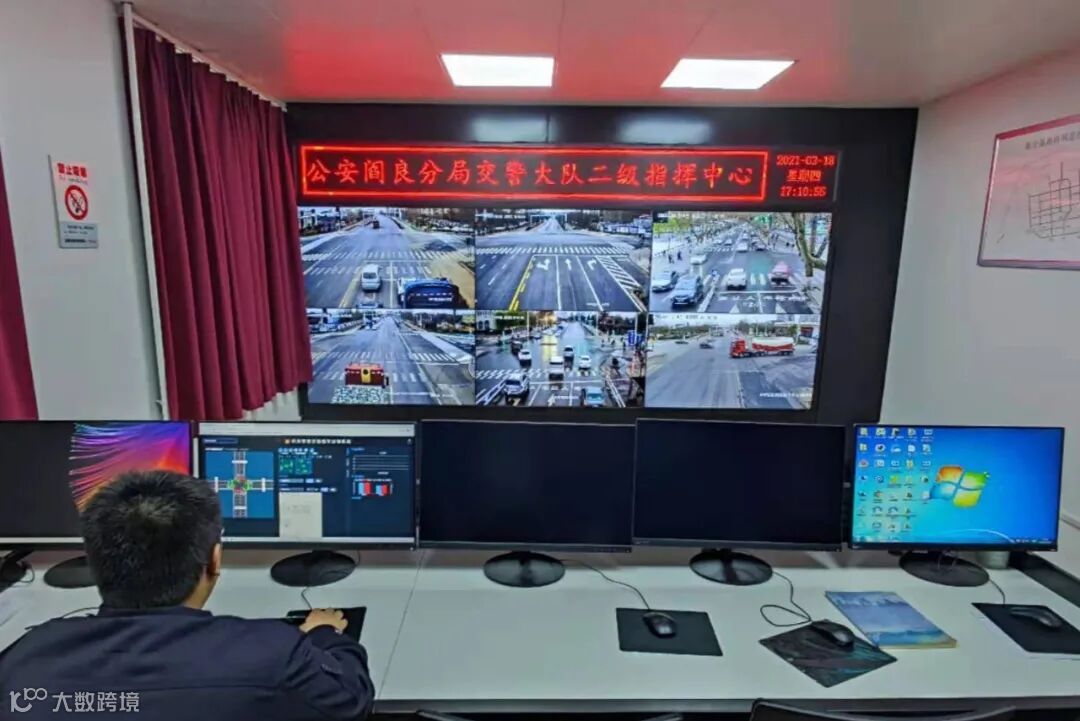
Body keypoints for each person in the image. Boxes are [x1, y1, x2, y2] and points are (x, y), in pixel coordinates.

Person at [0, 470, 374, 721]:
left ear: (96, 561)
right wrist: (325, 634)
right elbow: (350, 700)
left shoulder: (24, 660)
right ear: (214, 560)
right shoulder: (274, 654)